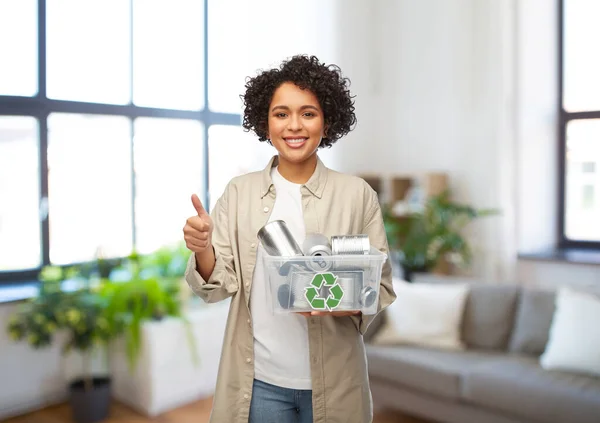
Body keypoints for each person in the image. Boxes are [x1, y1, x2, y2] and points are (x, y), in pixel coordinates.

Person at [183, 55, 396, 423]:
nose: (294, 125)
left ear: (327, 121)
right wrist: (203, 248)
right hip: (260, 383)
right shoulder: (239, 193)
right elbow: (217, 286)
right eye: (281, 114)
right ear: (265, 123)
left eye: (308, 113)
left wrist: (345, 301)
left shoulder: (357, 194)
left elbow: (380, 286)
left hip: (336, 380)